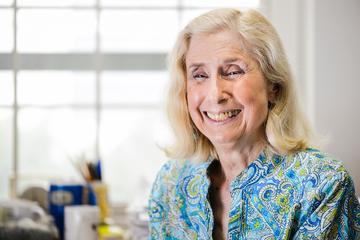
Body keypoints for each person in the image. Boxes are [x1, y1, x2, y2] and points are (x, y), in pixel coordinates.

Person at [148, 8, 360, 239]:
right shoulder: (170, 182)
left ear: (273, 87)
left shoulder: (322, 184)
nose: (215, 94)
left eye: (232, 72)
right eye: (199, 75)